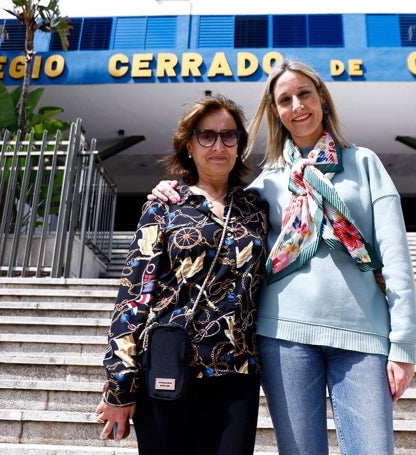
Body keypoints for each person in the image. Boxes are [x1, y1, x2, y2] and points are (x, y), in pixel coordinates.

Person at [150, 59, 416, 455]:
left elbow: (397, 261)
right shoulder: (266, 184)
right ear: (276, 112)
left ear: (322, 99)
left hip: (363, 334)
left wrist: (404, 345)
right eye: (284, 99)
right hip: (283, 337)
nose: (297, 106)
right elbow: (214, 203)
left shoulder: (365, 164)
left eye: (304, 94)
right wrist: (171, 189)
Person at [95, 94, 269, 455]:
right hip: (168, 364)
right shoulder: (165, 204)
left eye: (229, 135)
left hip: (235, 372)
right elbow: (133, 296)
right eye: (206, 136)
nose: (218, 145)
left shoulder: (257, 209)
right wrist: (119, 385)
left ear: (239, 144)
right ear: (189, 145)